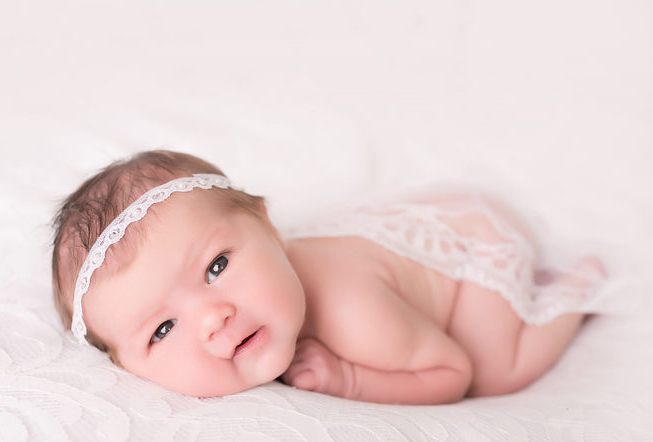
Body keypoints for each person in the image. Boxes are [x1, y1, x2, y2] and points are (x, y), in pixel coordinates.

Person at [51, 150, 604, 404]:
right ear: (123, 364)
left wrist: (350, 380)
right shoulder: (263, 295)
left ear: (268, 225)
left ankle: (576, 290)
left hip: (473, 240)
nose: (213, 319)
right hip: (406, 242)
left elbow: (451, 371)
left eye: (216, 267)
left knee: (494, 370)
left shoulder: (355, 315)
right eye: (162, 330)